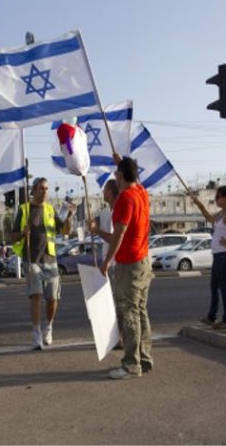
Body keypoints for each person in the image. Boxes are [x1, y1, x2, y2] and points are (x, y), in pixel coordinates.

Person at [99, 156, 153, 379]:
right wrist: (122, 162)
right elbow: (135, 179)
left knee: (130, 314)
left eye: (117, 175)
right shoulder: (141, 192)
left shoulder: (125, 198)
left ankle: (131, 365)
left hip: (129, 264)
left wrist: (107, 261)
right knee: (140, 311)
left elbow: (119, 233)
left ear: (120, 176)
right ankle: (145, 358)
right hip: (143, 261)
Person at [11, 177, 74, 350]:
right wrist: (23, 233)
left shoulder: (50, 209)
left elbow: (65, 231)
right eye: (41, 188)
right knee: (36, 296)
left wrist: (69, 216)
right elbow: (13, 236)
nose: (45, 191)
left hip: (50, 260)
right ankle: (36, 333)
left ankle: (49, 327)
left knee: (53, 298)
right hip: (32, 260)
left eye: (46, 188)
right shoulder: (24, 210)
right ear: (34, 190)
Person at [190, 186, 226, 329]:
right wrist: (199, 204)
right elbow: (209, 218)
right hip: (217, 255)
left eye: (219, 196)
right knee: (214, 287)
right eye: (216, 196)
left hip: (225, 254)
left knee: (224, 288)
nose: (217, 199)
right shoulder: (220, 213)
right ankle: (212, 317)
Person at [88, 179, 122, 347]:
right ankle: (114, 337)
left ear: (109, 192)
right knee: (108, 302)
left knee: (117, 303)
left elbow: (114, 238)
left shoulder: (118, 211)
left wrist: (97, 230)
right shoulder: (107, 211)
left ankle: (120, 338)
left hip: (115, 262)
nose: (102, 193)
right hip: (108, 262)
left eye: (104, 190)